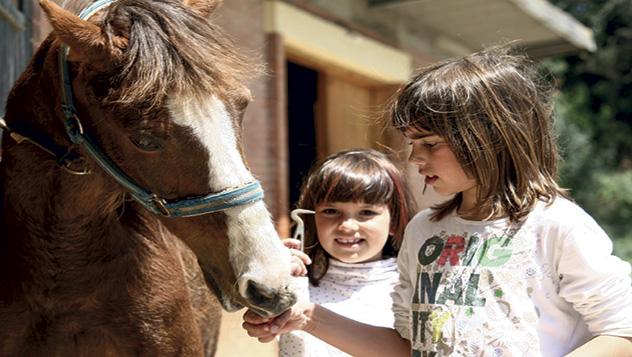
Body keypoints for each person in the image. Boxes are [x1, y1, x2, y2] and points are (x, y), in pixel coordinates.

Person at [243, 46, 632, 356]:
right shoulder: (423, 230)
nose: (414, 158)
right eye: (413, 144)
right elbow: (408, 348)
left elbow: (622, 329)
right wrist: (303, 316)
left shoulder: (555, 225)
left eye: (429, 143)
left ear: (491, 139)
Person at [279, 148, 416, 356]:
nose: (347, 226)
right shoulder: (296, 284)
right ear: (312, 219)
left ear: (394, 221)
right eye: (331, 211)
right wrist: (277, 278)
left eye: (366, 212)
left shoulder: (411, 286)